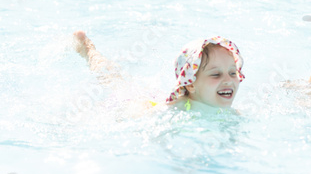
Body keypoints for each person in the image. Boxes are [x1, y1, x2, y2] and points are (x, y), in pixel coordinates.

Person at [73, 31, 245, 113]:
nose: (228, 80)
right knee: (112, 79)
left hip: (155, 97)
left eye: (232, 72)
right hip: (132, 104)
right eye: (216, 74)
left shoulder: (234, 113)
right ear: (190, 84)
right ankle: (88, 50)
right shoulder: (177, 111)